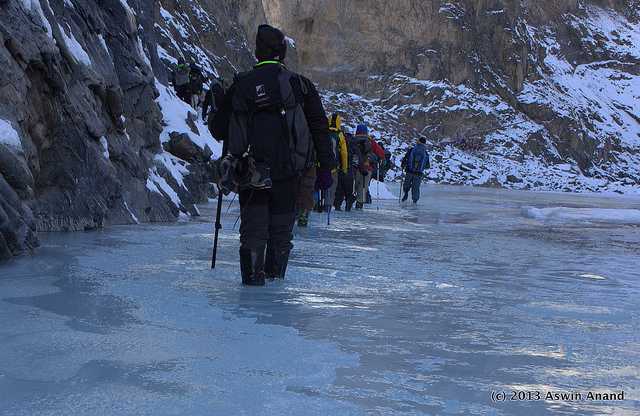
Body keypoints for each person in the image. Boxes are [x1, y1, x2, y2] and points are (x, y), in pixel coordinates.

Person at [211, 24, 335, 286]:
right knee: (280, 235)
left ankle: (252, 291)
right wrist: (326, 167)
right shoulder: (300, 85)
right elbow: (319, 127)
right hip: (289, 175)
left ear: (257, 52)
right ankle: (274, 290)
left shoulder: (241, 85)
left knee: (253, 234)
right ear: (282, 53)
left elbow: (219, 130)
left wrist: (219, 102)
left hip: (251, 173)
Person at [401, 137, 430, 204]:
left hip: (409, 171)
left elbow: (406, 158)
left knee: (406, 184)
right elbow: (427, 166)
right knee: (416, 187)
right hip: (418, 173)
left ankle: (406, 193)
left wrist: (403, 164)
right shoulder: (426, 153)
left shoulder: (412, 150)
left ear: (418, 142)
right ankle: (415, 200)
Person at [334, 129, 355, 211]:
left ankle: (337, 205)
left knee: (339, 189)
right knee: (348, 190)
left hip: (339, 168)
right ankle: (348, 204)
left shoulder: (340, 140)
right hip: (349, 170)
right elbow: (357, 157)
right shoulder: (353, 144)